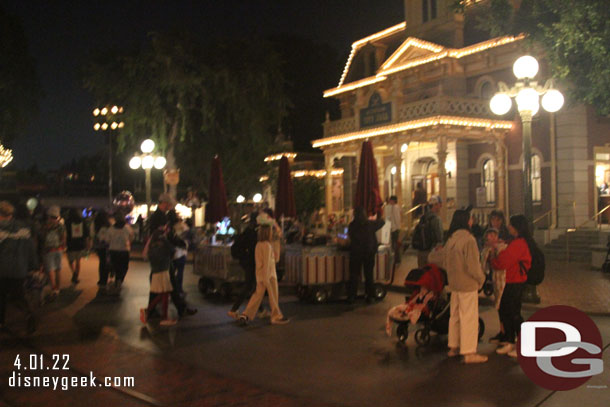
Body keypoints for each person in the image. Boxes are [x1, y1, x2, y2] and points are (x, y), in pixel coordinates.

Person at [429, 209, 487, 364]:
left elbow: (443, 261)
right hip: (467, 284)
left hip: (454, 283)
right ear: (465, 221)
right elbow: (473, 266)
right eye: (470, 219)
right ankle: (469, 352)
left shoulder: (451, 239)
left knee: (454, 316)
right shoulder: (469, 240)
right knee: (469, 317)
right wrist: (481, 279)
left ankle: (453, 346)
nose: (472, 221)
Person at [490, 214, 532, 358]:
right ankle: (510, 341)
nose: (508, 227)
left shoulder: (519, 244)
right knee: (507, 310)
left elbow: (502, 262)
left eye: (511, 225)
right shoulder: (516, 242)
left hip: (515, 281)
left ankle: (521, 344)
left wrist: (492, 259)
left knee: (513, 312)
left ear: (517, 228)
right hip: (512, 280)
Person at [238, 224, 289, 325]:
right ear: (267, 233)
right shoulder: (267, 246)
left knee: (257, 296)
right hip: (269, 276)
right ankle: (276, 316)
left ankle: (245, 315)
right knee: (273, 297)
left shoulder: (259, 245)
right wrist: (266, 278)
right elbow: (268, 262)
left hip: (260, 275)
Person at [0, 201, 38, 334]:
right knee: (19, 295)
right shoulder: (23, 229)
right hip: (19, 269)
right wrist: (33, 266)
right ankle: (29, 314)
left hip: (2, 269)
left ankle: (1, 321)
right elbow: (31, 248)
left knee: (1, 296)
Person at [140, 227, 177, 326]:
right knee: (164, 294)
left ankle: (152, 312)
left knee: (163, 294)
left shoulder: (152, 246)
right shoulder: (162, 246)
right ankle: (160, 316)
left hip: (157, 272)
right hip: (162, 272)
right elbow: (172, 250)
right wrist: (165, 241)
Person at [347, 207, 385, 304]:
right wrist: (378, 214)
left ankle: (352, 296)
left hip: (356, 253)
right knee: (369, 275)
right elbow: (382, 222)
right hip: (369, 252)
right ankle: (370, 296)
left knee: (354, 275)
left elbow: (349, 236)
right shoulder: (370, 224)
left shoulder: (352, 225)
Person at [480, 228, 508, 343]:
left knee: (504, 306)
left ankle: (507, 332)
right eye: (488, 236)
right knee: (500, 306)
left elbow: (500, 263)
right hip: (495, 280)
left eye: (493, 235)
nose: (491, 238)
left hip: (504, 279)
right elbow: (483, 265)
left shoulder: (503, 247)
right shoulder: (487, 250)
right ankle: (502, 331)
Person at [39, 206, 66, 296]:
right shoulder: (60, 226)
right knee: (58, 269)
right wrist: (62, 246)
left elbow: (41, 238)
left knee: (50, 269)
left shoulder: (45, 226)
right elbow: (63, 238)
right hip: (58, 249)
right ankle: (58, 288)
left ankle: (54, 288)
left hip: (48, 249)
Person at [106, 212, 134, 293]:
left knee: (116, 266)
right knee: (124, 266)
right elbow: (131, 238)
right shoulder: (127, 228)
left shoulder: (111, 229)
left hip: (113, 250)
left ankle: (117, 280)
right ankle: (119, 280)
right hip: (124, 251)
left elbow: (107, 240)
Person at [416, 196, 444, 268]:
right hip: (432, 252)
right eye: (438, 204)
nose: (440, 206)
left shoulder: (423, 218)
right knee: (432, 275)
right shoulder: (436, 219)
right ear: (435, 205)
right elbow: (440, 237)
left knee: (422, 275)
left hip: (421, 252)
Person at [65, 208, 90, 285]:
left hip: (70, 244)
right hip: (80, 243)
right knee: (78, 261)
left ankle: (74, 273)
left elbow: (65, 233)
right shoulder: (82, 221)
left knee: (70, 260)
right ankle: (76, 275)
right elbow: (86, 234)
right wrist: (87, 244)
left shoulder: (67, 222)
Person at [93, 211, 111, 288]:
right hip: (107, 246)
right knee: (105, 262)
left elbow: (93, 234)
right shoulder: (108, 225)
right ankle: (105, 279)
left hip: (98, 246)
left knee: (101, 262)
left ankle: (101, 279)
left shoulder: (96, 225)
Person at [384, 195, 402, 264]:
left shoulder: (393, 207)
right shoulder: (394, 207)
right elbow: (397, 218)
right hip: (393, 228)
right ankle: (396, 258)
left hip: (392, 228)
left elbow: (396, 218)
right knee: (394, 243)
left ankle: (396, 258)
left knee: (394, 243)